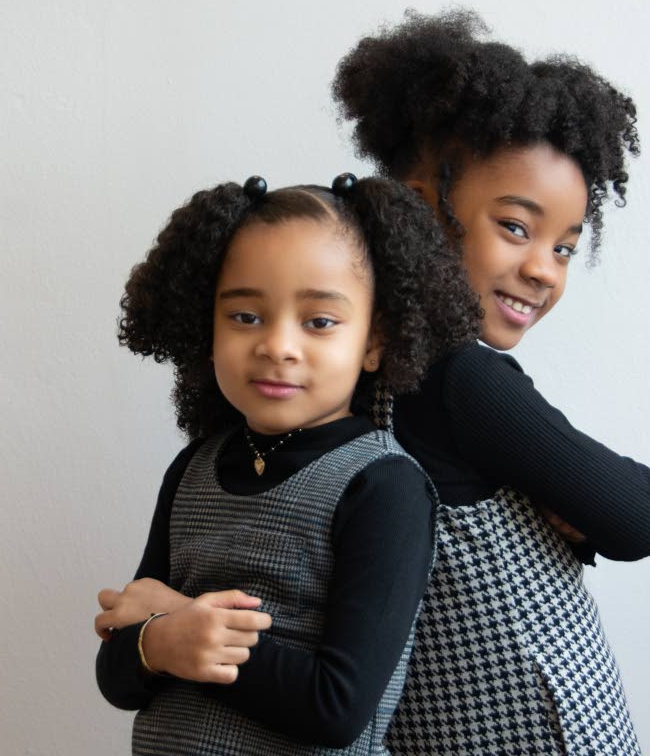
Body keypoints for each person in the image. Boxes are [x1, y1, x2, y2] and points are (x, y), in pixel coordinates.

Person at [328, 10, 650, 754]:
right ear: (421, 211)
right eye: (516, 227)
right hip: (543, 729)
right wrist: (609, 492)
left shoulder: (354, 366)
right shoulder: (465, 381)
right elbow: (642, 521)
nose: (544, 267)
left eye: (567, 248)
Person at [94, 174, 480, 755]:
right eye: (246, 317)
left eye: (319, 321)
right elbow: (117, 673)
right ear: (208, 328)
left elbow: (337, 707)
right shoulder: (191, 471)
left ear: (375, 341)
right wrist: (157, 644)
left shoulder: (384, 486)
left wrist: (178, 621)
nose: (277, 345)